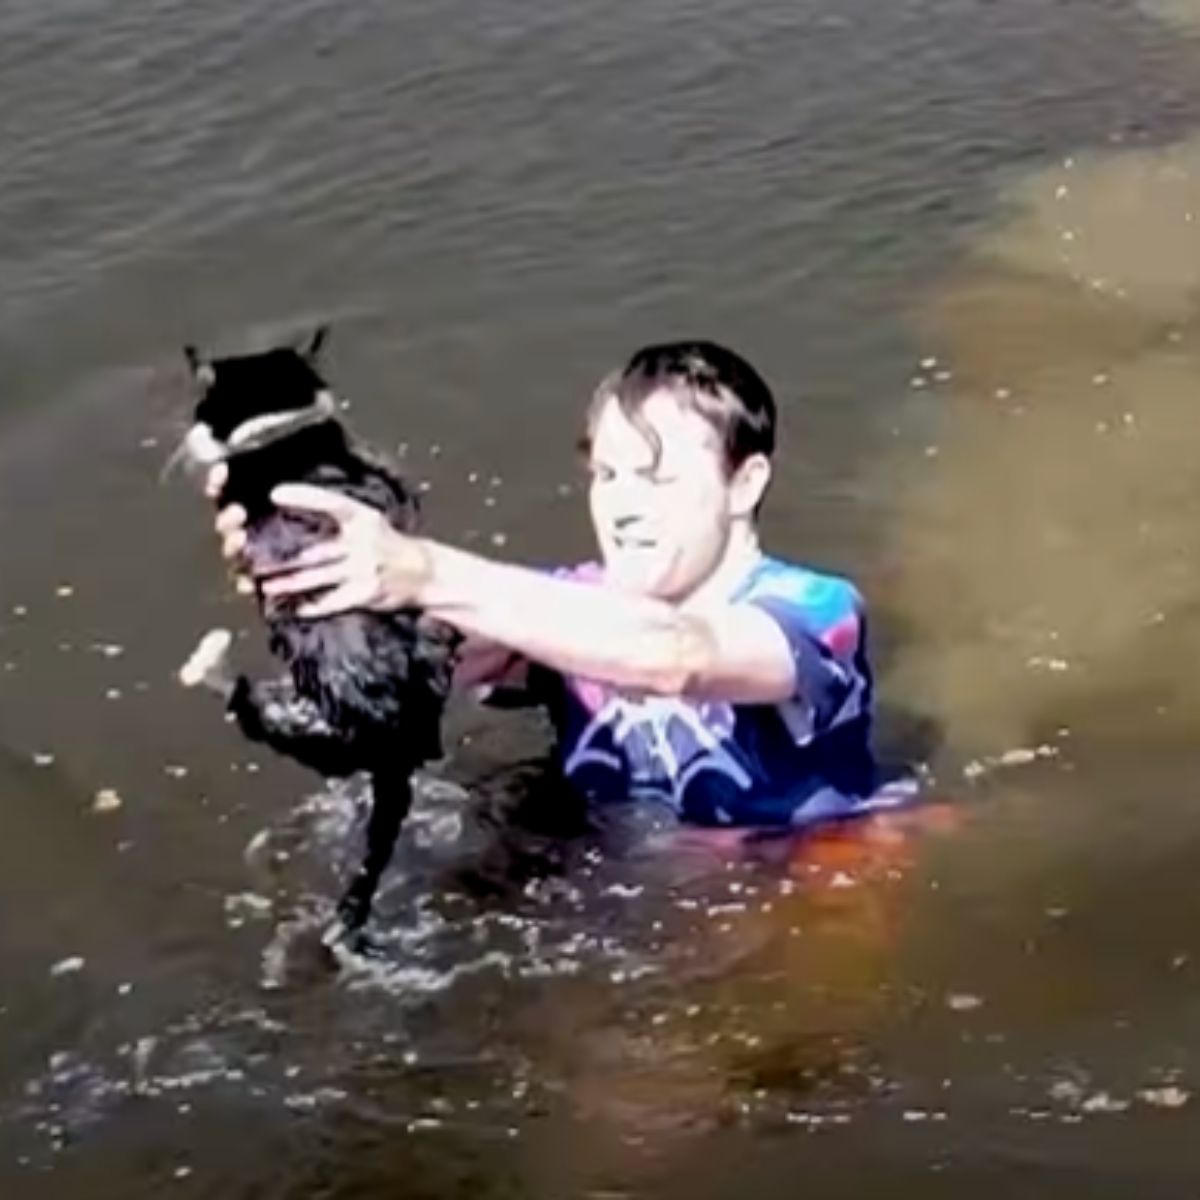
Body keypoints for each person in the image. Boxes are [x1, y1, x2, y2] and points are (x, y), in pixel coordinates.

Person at [208, 340, 913, 830]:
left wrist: (423, 568)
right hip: (627, 894)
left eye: (657, 477)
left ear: (745, 483)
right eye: (606, 476)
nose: (623, 504)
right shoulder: (565, 605)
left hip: (797, 883)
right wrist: (306, 568)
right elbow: (428, 662)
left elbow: (675, 656)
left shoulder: (816, 613)